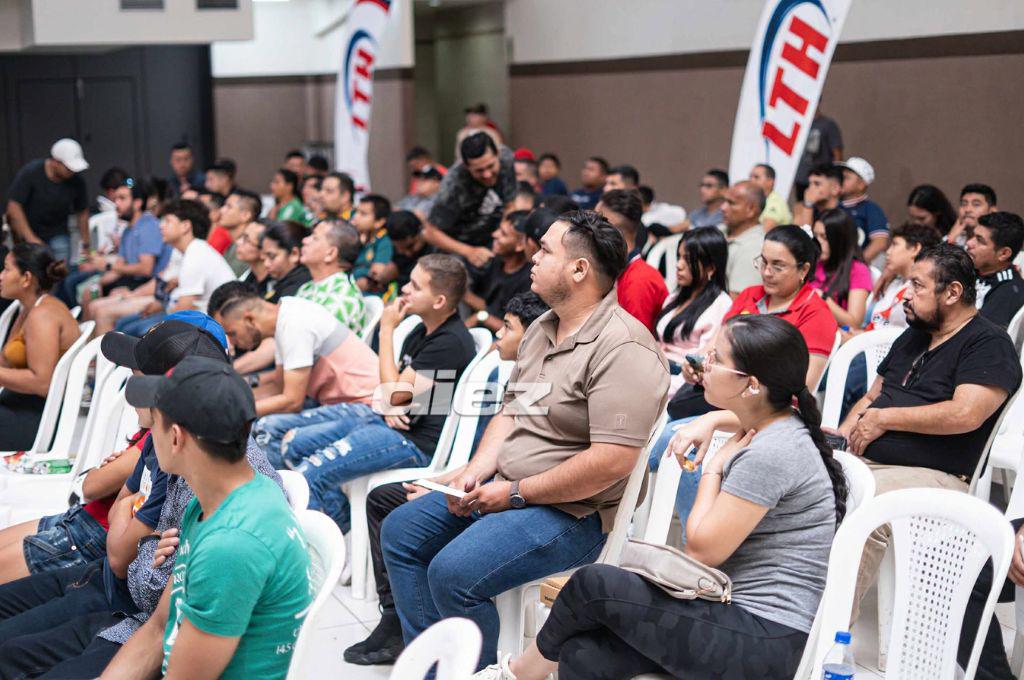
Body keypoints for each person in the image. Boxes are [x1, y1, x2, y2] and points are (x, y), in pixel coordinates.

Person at [480, 315, 845, 680]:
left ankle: (515, 675)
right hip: (740, 621)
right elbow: (755, 421)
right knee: (584, 653)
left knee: (593, 585)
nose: (704, 362)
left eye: (716, 358)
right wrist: (713, 421)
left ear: (750, 386)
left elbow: (701, 550)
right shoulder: (778, 428)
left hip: (764, 639)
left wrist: (714, 468)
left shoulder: (770, 452)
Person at [382, 212, 669, 669]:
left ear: (579, 270)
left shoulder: (624, 348)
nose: (532, 258)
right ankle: (440, 667)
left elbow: (613, 461)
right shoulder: (543, 328)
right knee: (402, 530)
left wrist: (513, 493)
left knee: (453, 573)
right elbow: (515, 409)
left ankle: (478, 674)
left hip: (575, 512)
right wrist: (476, 471)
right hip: (512, 487)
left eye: (545, 251)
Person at [0, 316, 288, 679]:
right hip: (139, 624)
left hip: (144, 633)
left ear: (177, 434)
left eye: (153, 412)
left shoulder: (230, 533)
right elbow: (155, 609)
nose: (141, 438)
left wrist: (146, 550)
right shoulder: (208, 486)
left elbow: (157, 619)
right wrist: (149, 549)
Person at [344, 291, 549, 665]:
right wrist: (440, 481)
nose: (498, 335)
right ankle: (403, 626)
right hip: (475, 477)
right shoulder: (519, 374)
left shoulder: (535, 378)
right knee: (389, 508)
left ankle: (431, 647)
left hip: (506, 494)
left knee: (438, 556)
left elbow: (515, 465)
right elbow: (484, 459)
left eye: (507, 328)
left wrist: (387, 329)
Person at [95, 356, 310, 679]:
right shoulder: (215, 500)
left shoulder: (232, 544)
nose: (149, 433)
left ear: (177, 437)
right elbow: (157, 628)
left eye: (154, 422)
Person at [838, 244, 1021, 616]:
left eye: (918, 286)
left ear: (952, 292)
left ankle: (828, 630)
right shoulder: (916, 334)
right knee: (804, 488)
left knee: (865, 508)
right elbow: (874, 395)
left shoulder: (988, 342)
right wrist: (843, 436)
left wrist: (883, 419)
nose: (907, 294)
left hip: (939, 476)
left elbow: (965, 414)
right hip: (870, 460)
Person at [0, 312, 228, 586]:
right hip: (85, 522)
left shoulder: (162, 441)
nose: (133, 386)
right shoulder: (155, 433)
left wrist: (121, 497)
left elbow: (93, 487)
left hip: (91, 538)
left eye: (139, 373)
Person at [253, 255, 477, 531]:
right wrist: (392, 402)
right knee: (292, 444)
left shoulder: (450, 342)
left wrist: (386, 330)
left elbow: (393, 392)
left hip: (414, 444)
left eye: (416, 286)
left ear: (439, 301)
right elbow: (390, 392)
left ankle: (334, 549)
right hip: (387, 423)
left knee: (311, 473)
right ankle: (342, 526)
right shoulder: (422, 331)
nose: (405, 289)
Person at [213, 286, 380, 418]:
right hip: (339, 404)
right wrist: (230, 399)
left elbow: (292, 402)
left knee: (265, 428)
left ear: (249, 319)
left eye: (232, 333)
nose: (232, 342)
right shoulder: (284, 314)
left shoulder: (295, 324)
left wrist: (231, 410)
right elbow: (279, 386)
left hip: (368, 406)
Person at [114, 199, 236, 336]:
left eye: (168, 221)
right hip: (196, 317)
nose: (161, 226)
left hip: (210, 326)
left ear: (185, 226)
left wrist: (162, 312)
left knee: (137, 331)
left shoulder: (196, 254)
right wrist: (161, 306)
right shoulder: (184, 251)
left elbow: (184, 309)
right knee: (123, 324)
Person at [0, 244, 80, 450]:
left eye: (7, 269)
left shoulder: (42, 315)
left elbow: (42, 382)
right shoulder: (27, 309)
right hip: (20, 405)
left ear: (26, 278)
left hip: (36, 421)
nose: (1, 275)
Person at [62, 179, 168, 309]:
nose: (116, 204)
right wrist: (97, 283)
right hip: (131, 279)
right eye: (116, 199)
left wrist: (106, 265)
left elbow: (146, 269)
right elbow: (119, 266)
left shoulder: (148, 226)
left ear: (137, 203)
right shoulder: (128, 231)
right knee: (89, 291)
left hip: (148, 282)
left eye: (122, 199)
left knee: (99, 303)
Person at [655, 227, 732, 397]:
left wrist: (658, 387)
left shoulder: (721, 305)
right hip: (656, 371)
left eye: (688, 260)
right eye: (679, 257)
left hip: (684, 384)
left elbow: (703, 363)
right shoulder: (676, 296)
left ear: (711, 268)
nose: (678, 265)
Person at [423, 132, 517, 270]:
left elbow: (510, 204)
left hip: (493, 234)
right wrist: (469, 252)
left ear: (497, 155)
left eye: (491, 166)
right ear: (466, 166)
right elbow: (429, 232)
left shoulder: (506, 158)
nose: (487, 174)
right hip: (459, 245)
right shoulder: (453, 184)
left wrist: (506, 236)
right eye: (479, 170)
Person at [5, 138, 90, 262]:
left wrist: (86, 244)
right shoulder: (31, 172)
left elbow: (82, 212)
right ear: (55, 162)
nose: (72, 172)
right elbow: (14, 207)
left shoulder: (77, 181)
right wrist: (31, 238)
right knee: (33, 273)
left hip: (58, 233)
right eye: (68, 168)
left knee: (59, 271)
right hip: (28, 231)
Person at [597, 189, 668, 332]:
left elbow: (634, 342)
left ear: (609, 229)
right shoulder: (614, 271)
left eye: (597, 223)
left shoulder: (639, 280)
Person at [865, 222, 942, 331]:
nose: (888, 252)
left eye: (895, 244)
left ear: (915, 249)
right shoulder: (895, 282)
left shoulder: (920, 291)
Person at [465, 210, 533, 333]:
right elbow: (489, 306)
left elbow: (518, 332)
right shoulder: (495, 260)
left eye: (503, 234)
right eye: (499, 229)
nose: (494, 234)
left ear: (519, 245)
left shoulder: (529, 280)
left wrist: (482, 317)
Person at [297, 219, 366, 332]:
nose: (305, 240)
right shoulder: (308, 287)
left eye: (315, 238)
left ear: (330, 254)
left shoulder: (342, 298)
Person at [811, 207, 873, 329]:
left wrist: (823, 298)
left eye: (824, 237)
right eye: (815, 236)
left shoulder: (858, 270)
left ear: (839, 240)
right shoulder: (815, 261)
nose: (817, 243)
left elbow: (854, 323)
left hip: (832, 333)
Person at [967, 211, 1024, 329]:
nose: (969, 243)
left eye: (979, 240)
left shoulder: (1008, 290)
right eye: (972, 236)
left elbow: (978, 334)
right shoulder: (972, 270)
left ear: (1003, 253)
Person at [838, 156, 890, 263]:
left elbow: (880, 242)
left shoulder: (871, 209)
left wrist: (856, 266)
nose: (841, 181)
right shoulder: (834, 205)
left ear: (861, 185)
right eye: (841, 177)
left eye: (846, 177)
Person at [720, 180, 766, 294]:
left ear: (751, 209)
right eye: (724, 201)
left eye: (731, 203)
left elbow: (737, 302)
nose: (723, 207)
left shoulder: (755, 247)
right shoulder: (720, 230)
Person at [793, 108, 843, 202]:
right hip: (801, 178)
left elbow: (837, 154)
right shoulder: (800, 123)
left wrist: (836, 178)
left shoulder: (828, 125)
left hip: (821, 179)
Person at [383, 210, 436, 292]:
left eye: (410, 247)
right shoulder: (399, 254)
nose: (406, 253)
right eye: (398, 249)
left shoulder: (435, 251)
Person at [352, 193, 395, 295]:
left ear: (379, 222)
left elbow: (374, 278)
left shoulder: (384, 242)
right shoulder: (360, 237)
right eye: (356, 212)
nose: (355, 217)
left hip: (373, 296)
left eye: (363, 214)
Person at [260, 220, 312, 301]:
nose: (266, 264)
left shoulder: (297, 288)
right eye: (264, 257)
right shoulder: (283, 281)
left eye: (272, 256)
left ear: (294, 254)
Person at [219, 189, 262, 276]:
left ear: (245, 215)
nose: (221, 210)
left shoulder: (246, 250)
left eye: (229, 206)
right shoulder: (233, 246)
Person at [670, 169, 728, 233]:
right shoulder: (696, 213)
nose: (702, 190)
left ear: (724, 190)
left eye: (709, 186)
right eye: (701, 185)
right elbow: (676, 229)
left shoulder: (727, 214)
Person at [948, 183, 998, 247]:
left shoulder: (999, 242)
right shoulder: (950, 238)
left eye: (976, 204)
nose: (968, 209)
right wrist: (950, 240)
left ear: (992, 211)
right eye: (964, 204)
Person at [793, 161, 843, 226]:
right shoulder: (802, 207)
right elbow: (799, 233)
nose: (811, 188)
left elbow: (806, 234)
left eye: (817, 184)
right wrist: (808, 205)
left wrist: (808, 205)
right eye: (810, 184)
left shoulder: (844, 216)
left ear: (835, 189)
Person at [750, 163, 792, 230]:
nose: (751, 181)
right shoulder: (758, 199)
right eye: (750, 177)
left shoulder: (776, 203)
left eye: (756, 177)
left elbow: (764, 231)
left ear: (770, 181)